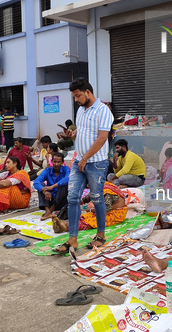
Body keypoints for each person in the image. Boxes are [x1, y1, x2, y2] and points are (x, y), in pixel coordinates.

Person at [55, 78, 113, 253]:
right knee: (72, 198)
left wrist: (85, 158)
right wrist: (72, 134)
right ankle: (72, 239)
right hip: (80, 160)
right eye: (74, 96)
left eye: (78, 95)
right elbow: (83, 131)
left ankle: (101, 235)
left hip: (96, 163)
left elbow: (102, 138)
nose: (76, 100)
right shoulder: (80, 110)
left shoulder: (103, 110)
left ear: (88, 92)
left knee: (96, 198)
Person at [51, 181, 128, 237]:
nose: (87, 187)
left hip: (116, 214)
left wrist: (91, 209)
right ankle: (64, 223)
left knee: (91, 222)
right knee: (86, 216)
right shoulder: (101, 184)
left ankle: (66, 226)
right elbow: (90, 196)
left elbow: (105, 209)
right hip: (108, 210)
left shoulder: (106, 193)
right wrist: (80, 201)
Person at [33, 152, 70, 220]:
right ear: (51, 161)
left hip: (61, 201)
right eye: (54, 162)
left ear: (62, 162)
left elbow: (67, 179)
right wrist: (44, 191)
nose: (56, 164)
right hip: (48, 199)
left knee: (63, 185)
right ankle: (47, 210)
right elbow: (36, 182)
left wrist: (52, 186)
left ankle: (49, 211)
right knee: (41, 185)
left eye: (58, 162)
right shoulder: (47, 170)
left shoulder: (66, 169)